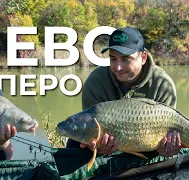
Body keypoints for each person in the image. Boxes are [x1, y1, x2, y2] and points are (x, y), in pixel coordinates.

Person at [66, 27, 182, 157]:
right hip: (110, 147)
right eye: (113, 59)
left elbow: (168, 131)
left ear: (143, 57)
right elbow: (89, 130)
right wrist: (97, 148)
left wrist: (166, 149)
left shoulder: (163, 84)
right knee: (74, 144)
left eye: (126, 59)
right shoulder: (96, 82)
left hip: (148, 146)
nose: (118, 67)